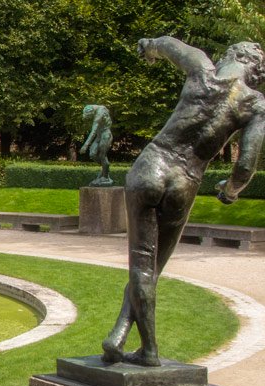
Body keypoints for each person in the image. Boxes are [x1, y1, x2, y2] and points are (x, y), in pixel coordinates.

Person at [102, 37, 265, 366]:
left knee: (141, 265)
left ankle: (140, 346)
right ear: (257, 72)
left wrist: (147, 45)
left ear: (230, 55)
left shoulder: (203, 69)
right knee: (150, 269)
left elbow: (165, 45)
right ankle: (126, 339)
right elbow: (246, 165)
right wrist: (230, 191)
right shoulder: (255, 104)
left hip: (152, 165)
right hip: (184, 181)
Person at [80, 104, 114, 186]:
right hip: (99, 136)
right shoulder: (96, 109)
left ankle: (105, 177)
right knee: (92, 154)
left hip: (106, 135)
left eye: (90, 116)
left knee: (102, 156)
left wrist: (85, 145)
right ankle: (105, 168)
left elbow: (93, 131)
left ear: (92, 112)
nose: (90, 118)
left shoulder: (99, 113)